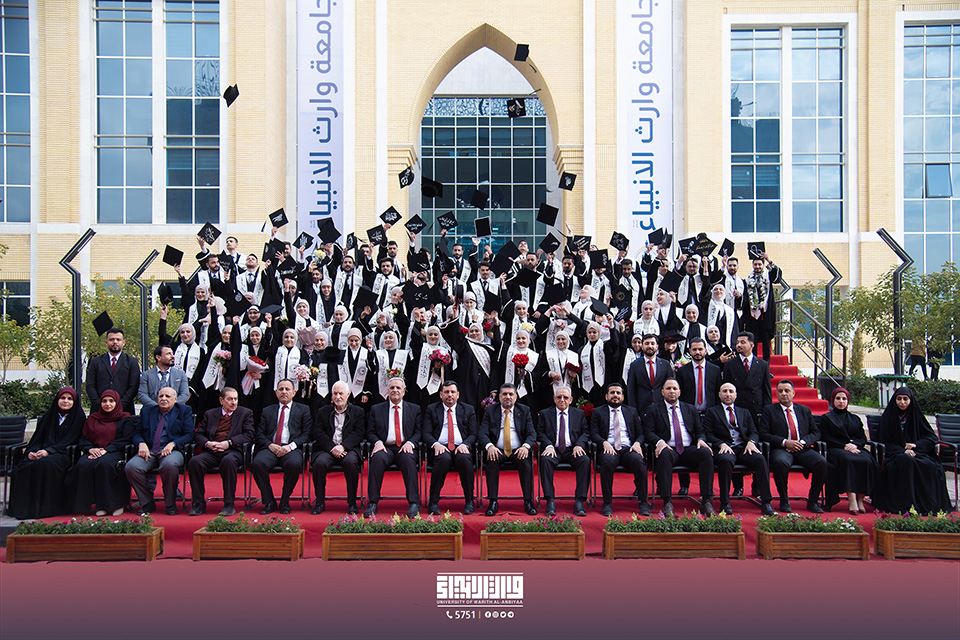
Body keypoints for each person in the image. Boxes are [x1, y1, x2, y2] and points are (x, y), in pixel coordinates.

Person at [6, 387, 86, 519]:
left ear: (74, 402)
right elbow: (38, 438)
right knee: (22, 467)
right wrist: (32, 452)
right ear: (57, 400)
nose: (65, 401)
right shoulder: (49, 416)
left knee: (45, 464)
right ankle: (27, 508)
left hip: (63, 455)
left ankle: (44, 509)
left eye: (69, 399)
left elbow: (71, 440)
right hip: (42, 451)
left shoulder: (78, 418)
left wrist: (49, 451)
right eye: (62, 398)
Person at [642, 379, 716, 516]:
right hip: (669, 448)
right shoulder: (654, 409)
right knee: (664, 454)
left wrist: (701, 440)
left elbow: (700, 431)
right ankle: (667, 502)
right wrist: (659, 442)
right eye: (668, 388)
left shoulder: (690, 409)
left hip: (688, 449)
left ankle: (706, 501)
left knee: (705, 453)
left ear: (679, 392)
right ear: (662, 392)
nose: (672, 391)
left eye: (674, 389)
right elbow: (649, 432)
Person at [873, 387, 952, 515]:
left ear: (911, 400)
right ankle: (907, 506)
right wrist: (902, 450)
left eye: (905, 399)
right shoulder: (888, 417)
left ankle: (927, 506)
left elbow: (931, 437)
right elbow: (884, 442)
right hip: (895, 455)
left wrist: (916, 445)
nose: (902, 402)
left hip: (917, 452)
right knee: (907, 461)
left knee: (930, 465)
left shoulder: (916, 416)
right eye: (899, 399)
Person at [702, 382, 776, 515]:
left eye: (731, 391)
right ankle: (725, 503)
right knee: (725, 461)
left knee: (760, 459)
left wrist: (751, 442)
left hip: (742, 447)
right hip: (724, 448)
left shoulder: (744, 412)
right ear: (719, 394)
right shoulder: (712, 412)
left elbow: (754, 431)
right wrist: (720, 444)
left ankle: (766, 502)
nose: (728, 394)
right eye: (724, 391)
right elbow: (708, 433)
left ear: (736, 395)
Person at [125, 387, 195, 516]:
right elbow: (136, 433)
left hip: (172, 450)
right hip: (150, 450)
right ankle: (147, 502)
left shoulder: (184, 410)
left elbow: (189, 434)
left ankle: (170, 503)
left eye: (167, 396)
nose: (163, 399)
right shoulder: (147, 411)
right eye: (161, 396)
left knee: (169, 465)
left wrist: (173, 444)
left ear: (175, 399)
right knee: (132, 467)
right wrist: (141, 443)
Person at [759, 380, 826, 514]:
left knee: (821, 462)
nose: (784, 394)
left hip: (802, 448)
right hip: (781, 449)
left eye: (787, 391)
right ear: (777, 393)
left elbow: (816, 433)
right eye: (780, 391)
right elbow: (764, 434)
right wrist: (785, 442)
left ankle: (813, 500)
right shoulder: (769, 410)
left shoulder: (804, 410)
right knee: (780, 463)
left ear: (793, 393)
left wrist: (803, 442)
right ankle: (784, 499)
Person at [188, 387, 255, 516]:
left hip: (233, 451)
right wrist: (208, 444)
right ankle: (199, 503)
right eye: (230, 399)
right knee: (195, 462)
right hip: (212, 451)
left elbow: (249, 434)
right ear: (221, 400)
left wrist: (229, 443)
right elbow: (199, 434)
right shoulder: (210, 414)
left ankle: (229, 503)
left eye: (235, 399)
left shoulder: (245, 413)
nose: (233, 402)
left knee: (228, 461)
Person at [67, 390, 133, 516]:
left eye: (111, 401)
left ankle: (115, 505)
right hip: (94, 450)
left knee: (105, 465)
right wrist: (90, 449)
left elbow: (126, 439)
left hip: (115, 451)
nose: (107, 404)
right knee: (83, 464)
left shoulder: (125, 418)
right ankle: (94, 505)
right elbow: (83, 439)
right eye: (104, 401)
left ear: (117, 402)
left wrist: (107, 450)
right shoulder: (93, 419)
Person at [252, 379, 312, 514]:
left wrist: (290, 446)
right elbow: (259, 434)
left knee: (294, 464)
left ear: (294, 392)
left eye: (287, 389)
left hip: (291, 448)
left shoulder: (303, 410)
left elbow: (307, 434)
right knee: (257, 464)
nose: (284, 392)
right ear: (276, 392)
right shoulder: (267, 411)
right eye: (281, 389)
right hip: (271, 447)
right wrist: (270, 445)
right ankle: (269, 501)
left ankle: (285, 500)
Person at [365, 377, 422, 517]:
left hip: (405, 447)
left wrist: (410, 443)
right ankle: (373, 502)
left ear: (404, 391)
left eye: (398, 388)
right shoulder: (376, 409)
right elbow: (370, 432)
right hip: (385, 447)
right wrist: (377, 442)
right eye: (392, 388)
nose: (395, 390)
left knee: (408, 460)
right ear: (387, 391)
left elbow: (419, 432)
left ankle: (414, 503)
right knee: (377, 459)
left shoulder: (414, 409)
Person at [590, 382, 649, 515]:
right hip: (609, 448)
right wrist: (603, 442)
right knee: (607, 462)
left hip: (628, 449)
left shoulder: (631, 411)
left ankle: (643, 502)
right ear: (606, 396)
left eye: (618, 393)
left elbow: (640, 433)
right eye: (612, 393)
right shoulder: (598, 412)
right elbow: (593, 433)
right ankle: (607, 503)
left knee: (639, 462)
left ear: (622, 396)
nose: (615, 395)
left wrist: (637, 443)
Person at [479, 383, 537, 516]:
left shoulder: (524, 410)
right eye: (504, 394)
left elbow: (531, 433)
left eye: (511, 394)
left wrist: (526, 446)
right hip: (497, 449)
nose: (508, 397)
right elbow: (482, 433)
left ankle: (528, 501)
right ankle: (493, 502)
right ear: (499, 397)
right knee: (491, 461)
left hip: (518, 450)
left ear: (515, 397)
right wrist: (490, 446)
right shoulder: (490, 410)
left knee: (525, 463)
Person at [422, 380, 478, 515]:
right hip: (440, 447)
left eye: (453, 392)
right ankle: (433, 502)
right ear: (441, 395)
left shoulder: (468, 409)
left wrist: (466, 444)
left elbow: (473, 433)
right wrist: (435, 444)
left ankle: (469, 501)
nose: (450, 395)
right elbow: (426, 433)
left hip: (461, 446)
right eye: (446, 392)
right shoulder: (431, 409)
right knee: (443, 459)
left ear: (458, 395)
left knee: (464, 459)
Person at [820, 387, 879, 515]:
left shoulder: (855, 418)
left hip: (855, 448)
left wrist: (855, 445)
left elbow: (862, 438)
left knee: (866, 460)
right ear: (833, 400)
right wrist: (844, 446)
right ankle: (852, 497)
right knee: (848, 460)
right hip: (836, 449)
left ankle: (860, 499)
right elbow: (826, 437)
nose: (841, 401)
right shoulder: (826, 418)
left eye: (844, 399)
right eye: (838, 398)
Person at [310, 381, 365, 515]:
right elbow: (318, 432)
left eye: (341, 393)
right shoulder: (323, 411)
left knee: (350, 463)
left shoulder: (358, 412)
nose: (338, 397)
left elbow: (359, 433)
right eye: (335, 393)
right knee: (319, 463)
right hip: (328, 449)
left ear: (348, 395)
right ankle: (319, 502)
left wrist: (343, 446)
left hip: (348, 449)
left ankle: (352, 503)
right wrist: (332, 447)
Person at [536, 386, 590, 516]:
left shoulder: (579, 414)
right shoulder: (545, 414)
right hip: (553, 449)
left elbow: (586, 432)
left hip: (572, 449)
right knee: (545, 460)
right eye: (559, 397)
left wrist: (579, 445)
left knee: (585, 461)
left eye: (565, 397)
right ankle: (550, 500)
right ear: (554, 399)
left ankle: (579, 500)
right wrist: (548, 445)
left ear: (571, 400)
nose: (562, 400)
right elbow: (540, 433)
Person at [85, 327, 141, 414]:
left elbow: (133, 387)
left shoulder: (132, 362)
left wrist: (119, 406)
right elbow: (90, 385)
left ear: (123, 342)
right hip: (99, 411)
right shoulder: (95, 361)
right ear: (106, 342)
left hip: (124, 411)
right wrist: (100, 405)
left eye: (118, 339)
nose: (115, 342)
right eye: (111, 339)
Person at [721, 332, 771, 422]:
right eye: (737, 342)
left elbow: (767, 390)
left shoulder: (762, 364)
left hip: (756, 409)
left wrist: (767, 411)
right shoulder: (730, 364)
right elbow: (726, 386)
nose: (739, 345)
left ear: (751, 345)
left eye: (743, 342)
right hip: (738, 408)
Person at [626, 334, 673, 410]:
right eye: (647, 343)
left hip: (662, 407)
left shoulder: (665, 364)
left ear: (657, 346)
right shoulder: (634, 365)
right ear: (642, 346)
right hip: (642, 408)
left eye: (652, 343)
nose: (650, 346)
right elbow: (631, 390)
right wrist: (633, 411)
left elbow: (670, 386)